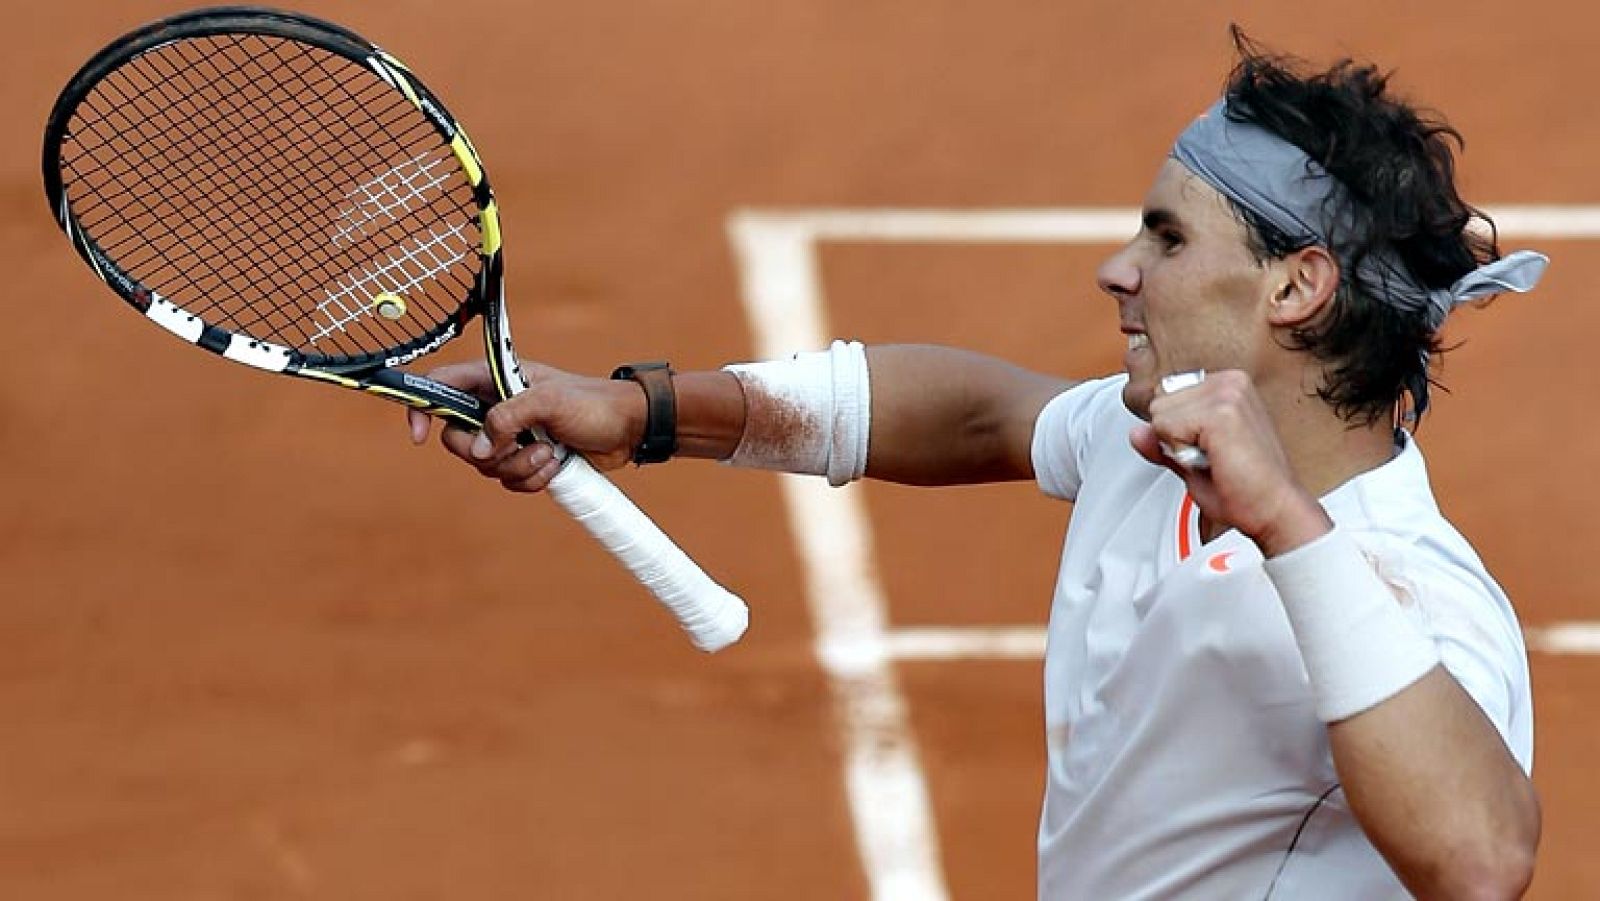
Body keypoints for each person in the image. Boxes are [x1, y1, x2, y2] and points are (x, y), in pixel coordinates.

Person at [407, 31, 1545, 900]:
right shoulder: (1159, 443)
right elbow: (982, 416)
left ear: (1294, 287)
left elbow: (1482, 856)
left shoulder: (1408, 590)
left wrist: (1288, 529)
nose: (1117, 269)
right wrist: (642, 409)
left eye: (1167, 238)